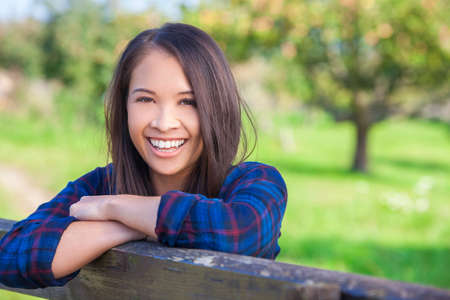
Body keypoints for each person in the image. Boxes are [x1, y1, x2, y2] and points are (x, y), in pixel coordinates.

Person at [0, 23, 287, 289]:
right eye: (146, 99)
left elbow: (242, 232)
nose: (164, 123)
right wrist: (127, 224)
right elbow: (11, 256)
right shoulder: (101, 186)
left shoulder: (255, 181)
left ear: (216, 106)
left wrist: (117, 207)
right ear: (125, 106)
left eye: (188, 102)